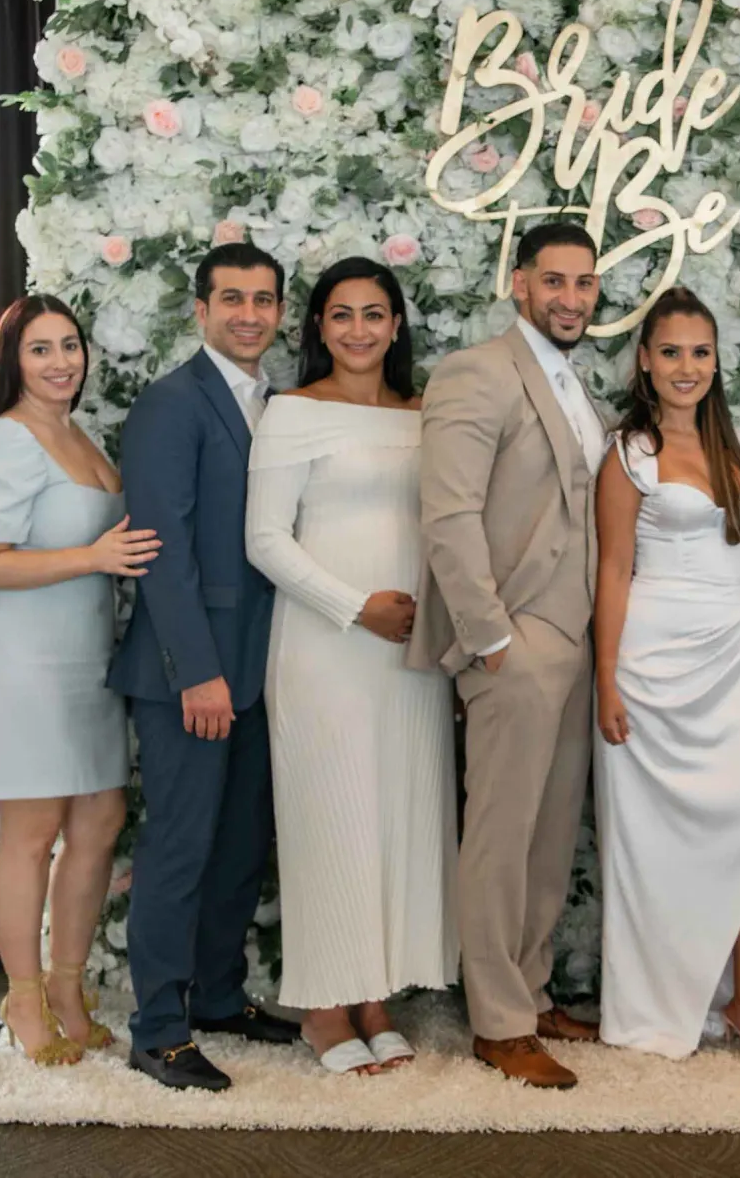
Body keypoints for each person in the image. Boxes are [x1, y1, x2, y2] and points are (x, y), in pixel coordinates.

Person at [245, 258, 458, 1076]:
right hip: (326, 648)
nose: (360, 330)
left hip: (410, 658)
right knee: (330, 818)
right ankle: (327, 1008)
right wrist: (354, 606)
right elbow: (265, 539)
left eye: (375, 314)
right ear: (319, 328)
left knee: (398, 820)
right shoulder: (291, 413)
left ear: (397, 325)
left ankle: (376, 996)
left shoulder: (422, 414)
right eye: (343, 315)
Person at [408, 222, 606, 1091]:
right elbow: (448, 514)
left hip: (577, 640)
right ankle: (496, 1019)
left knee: (551, 830)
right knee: (500, 833)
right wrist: (490, 637)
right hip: (515, 642)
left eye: (585, 283)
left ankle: (529, 988)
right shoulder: (475, 372)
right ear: (518, 283)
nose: (570, 297)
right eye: (554, 281)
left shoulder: (576, 383)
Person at [108, 242, 299, 1092]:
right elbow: (162, 550)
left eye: (263, 300)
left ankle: (220, 995)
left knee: (237, 848)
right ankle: (158, 1028)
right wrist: (198, 671)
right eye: (232, 299)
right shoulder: (171, 403)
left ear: (281, 312)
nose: (248, 314)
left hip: (264, 669)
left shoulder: (278, 405)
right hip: (190, 671)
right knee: (181, 848)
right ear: (201, 309)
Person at [0, 296, 155, 1067]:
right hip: (21, 658)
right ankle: (24, 993)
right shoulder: (4, 437)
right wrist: (92, 559)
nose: (61, 361)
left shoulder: (78, 432)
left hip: (88, 656)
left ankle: (69, 986)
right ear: (14, 361)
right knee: (31, 835)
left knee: (99, 824)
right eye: (40, 349)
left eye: (69, 345)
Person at [592, 286, 740, 1064]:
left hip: (730, 656)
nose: (686, 365)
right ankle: (652, 1007)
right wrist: (606, 677)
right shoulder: (628, 452)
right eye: (670, 351)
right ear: (644, 360)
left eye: (700, 351)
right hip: (649, 662)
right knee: (649, 843)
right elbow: (611, 569)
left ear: (716, 359)